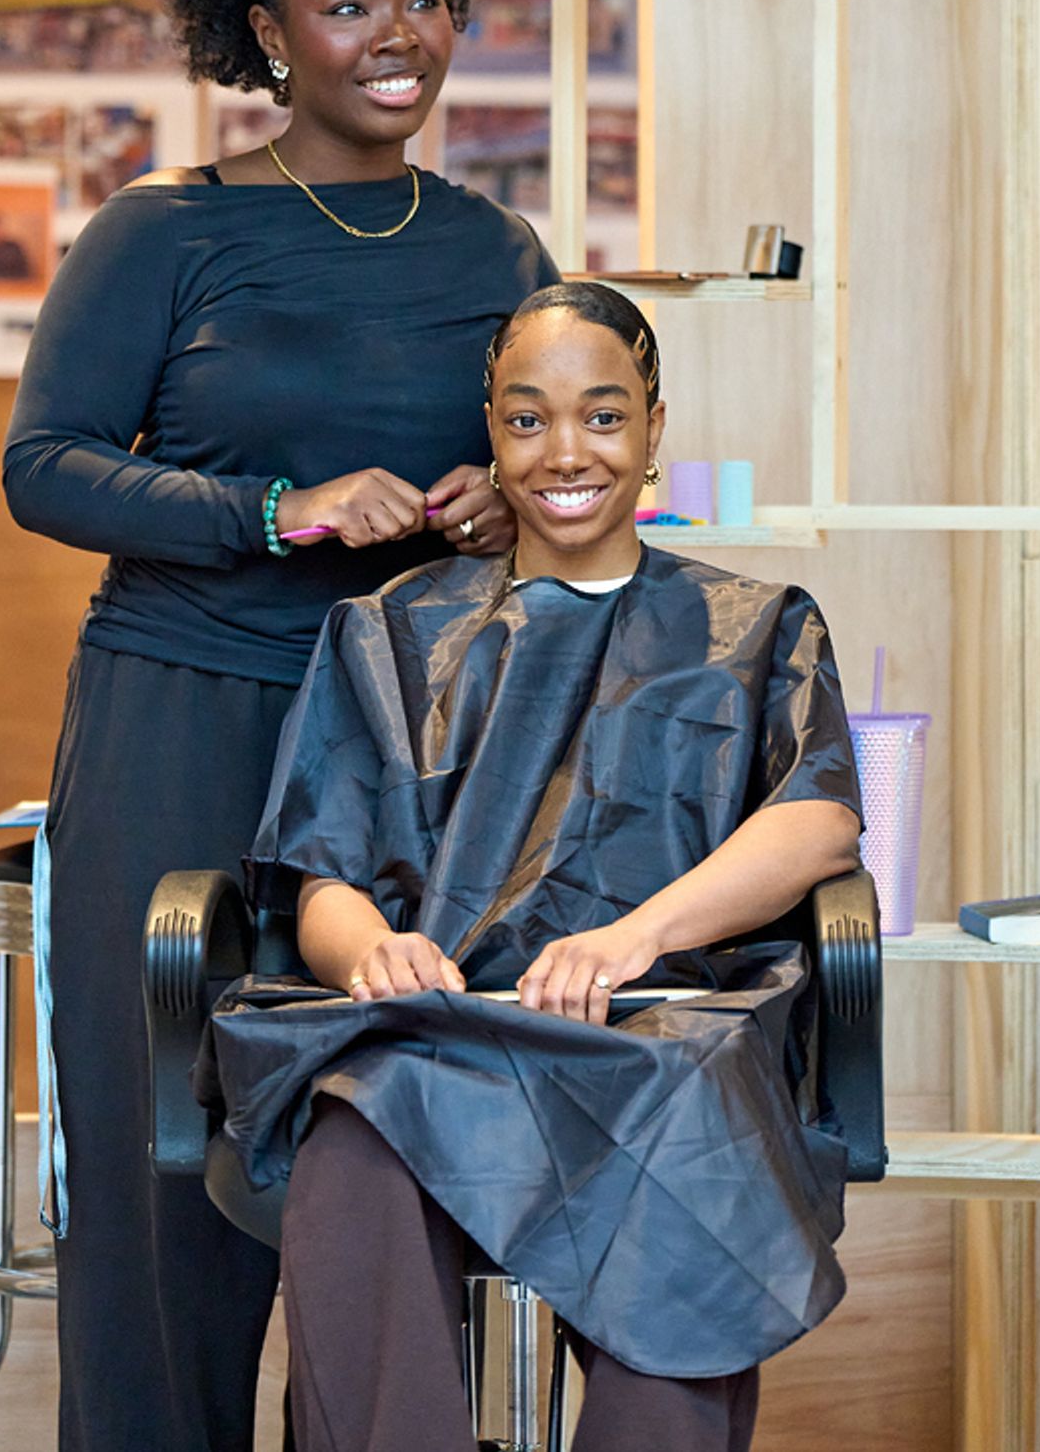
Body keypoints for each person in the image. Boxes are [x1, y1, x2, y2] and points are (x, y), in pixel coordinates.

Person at [1, 0, 559, 1452]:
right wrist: (270, 511)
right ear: (264, 29)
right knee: (162, 1176)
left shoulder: (500, 248)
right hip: (184, 726)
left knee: (374, 1166)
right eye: (347, 4)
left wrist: (501, 501)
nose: (397, 38)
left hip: (409, 752)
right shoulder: (163, 233)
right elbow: (44, 466)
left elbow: (564, 466)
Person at [209, 282, 864, 1452]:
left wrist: (631, 938)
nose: (565, 451)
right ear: (491, 434)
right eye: (527, 419)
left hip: (660, 1035)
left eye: (602, 416)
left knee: (685, 1180)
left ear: (653, 427)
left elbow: (814, 822)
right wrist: (374, 953)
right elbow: (319, 877)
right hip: (429, 1035)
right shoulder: (386, 630)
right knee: (354, 1145)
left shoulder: (758, 625)